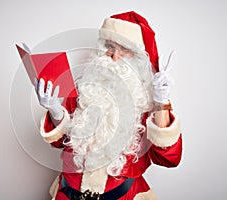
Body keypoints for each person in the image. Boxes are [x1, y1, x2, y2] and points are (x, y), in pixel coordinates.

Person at [35, 11, 182, 200]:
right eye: (110, 46)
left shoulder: (148, 103)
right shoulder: (85, 89)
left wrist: (162, 103)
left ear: (139, 58)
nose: (113, 56)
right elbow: (59, 142)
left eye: (124, 49)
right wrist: (55, 111)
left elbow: (169, 159)